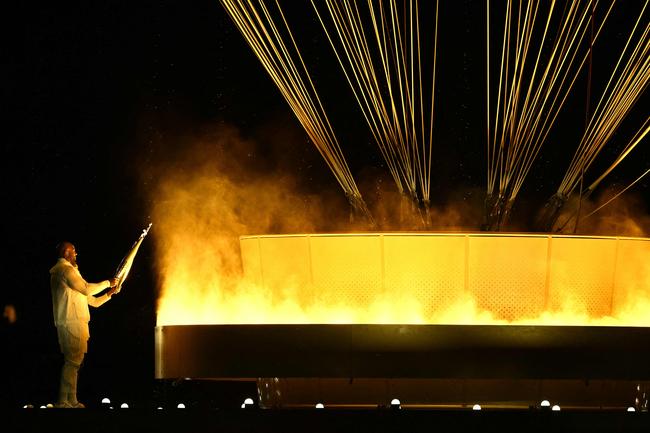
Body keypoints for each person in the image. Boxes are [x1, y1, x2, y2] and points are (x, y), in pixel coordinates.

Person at [50, 241, 118, 408]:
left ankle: (70, 400)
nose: (76, 254)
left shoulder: (72, 273)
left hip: (77, 322)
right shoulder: (64, 271)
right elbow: (87, 289)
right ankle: (63, 401)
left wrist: (109, 293)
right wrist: (108, 282)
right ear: (66, 253)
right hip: (70, 322)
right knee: (72, 362)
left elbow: (92, 301)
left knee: (75, 363)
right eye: (74, 251)